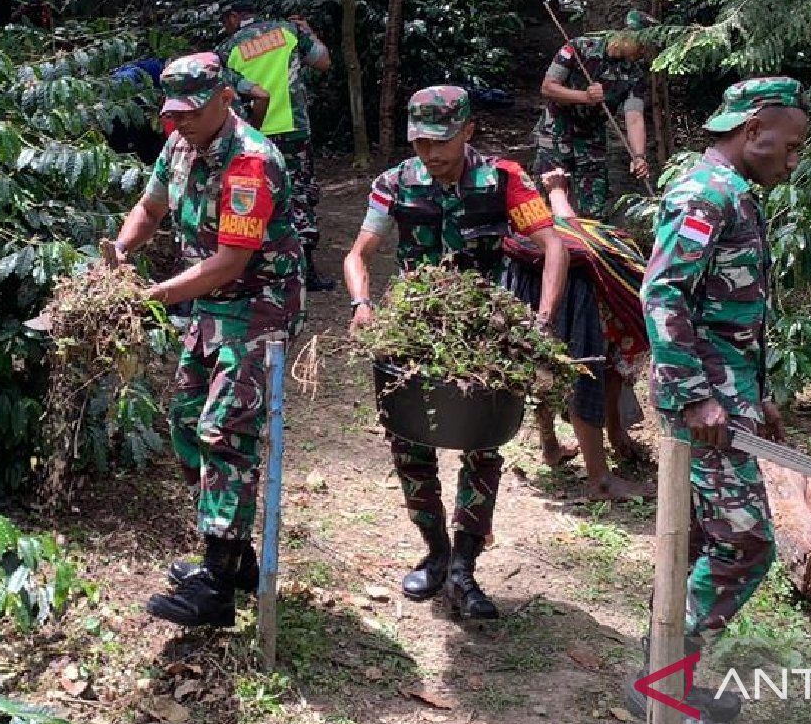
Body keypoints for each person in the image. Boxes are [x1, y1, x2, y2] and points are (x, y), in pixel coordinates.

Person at [625, 77, 808, 724]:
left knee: (703, 543)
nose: (792, 160)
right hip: (702, 406)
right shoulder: (705, 193)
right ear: (755, 127)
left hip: (729, 401)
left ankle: (672, 675)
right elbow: (664, 294)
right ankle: (657, 687)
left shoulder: (735, 194)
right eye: (788, 146)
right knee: (745, 543)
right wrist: (698, 397)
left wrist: (756, 396)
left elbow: (725, 315)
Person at [343, 86, 569, 621]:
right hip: (413, 326)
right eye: (421, 143)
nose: (431, 153)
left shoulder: (505, 180)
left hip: (483, 326)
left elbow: (552, 243)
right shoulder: (393, 183)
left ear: (468, 131)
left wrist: (541, 319)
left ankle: (466, 562)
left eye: (441, 141)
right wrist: (361, 303)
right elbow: (359, 253)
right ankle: (435, 551)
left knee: (483, 445)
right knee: (409, 442)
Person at [107, 52, 305, 628]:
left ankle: (217, 585)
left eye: (192, 112)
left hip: (256, 306)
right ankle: (235, 556)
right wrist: (122, 252)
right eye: (173, 114)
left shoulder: (250, 163)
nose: (181, 124)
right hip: (210, 304)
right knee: (185, 418)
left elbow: (231, 260)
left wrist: (156, 296)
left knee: (224, 430)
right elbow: (148, 208)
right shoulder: (179, 145)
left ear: (225, 98)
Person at [502, 169, 653, 501]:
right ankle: (599, 480)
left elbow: (566, 220)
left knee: (541, 362)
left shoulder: (589, 239)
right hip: (573, 284)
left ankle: (550, 446)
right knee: (585, 370)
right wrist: (616, 434)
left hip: (527, 272)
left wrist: (556, 189)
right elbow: (612, 375)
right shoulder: (628, 290)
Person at [218, 0, 334, 292]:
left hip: (253, 134)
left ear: (233, 18)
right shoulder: (289, 31)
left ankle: (261, 266)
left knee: (253, 194)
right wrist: (311, 32)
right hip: (293, 128)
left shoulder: (226, 49)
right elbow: (322, 61)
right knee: (300, 195)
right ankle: (307, 270)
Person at [533, 9, 653, 220]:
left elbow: (634, 116)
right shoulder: (579, 47)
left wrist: (639, 155)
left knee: (594, 209)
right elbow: (548, 88)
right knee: (548, 203)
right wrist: (584, 96)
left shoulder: (634, 72)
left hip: (591, 138)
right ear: (628, 36)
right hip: (556, 132)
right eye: (642, 45)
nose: (644, 52)